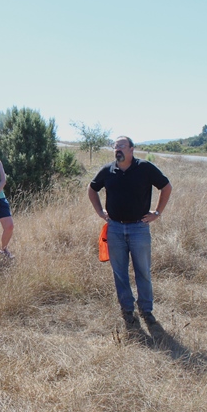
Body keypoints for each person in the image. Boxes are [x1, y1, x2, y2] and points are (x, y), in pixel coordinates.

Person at [87, 136, 172, 340]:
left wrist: (157, 213)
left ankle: (146, 311)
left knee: (143, 271)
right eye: (115, 146)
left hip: (139, 229)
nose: (118, 149)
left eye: (122, 146)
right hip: (115, 229)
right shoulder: (108, 170)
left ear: (132, 149)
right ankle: (127, 311)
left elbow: (166, 187)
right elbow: (92, 189)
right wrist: (100, 212)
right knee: (120, 273)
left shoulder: (145, 168)